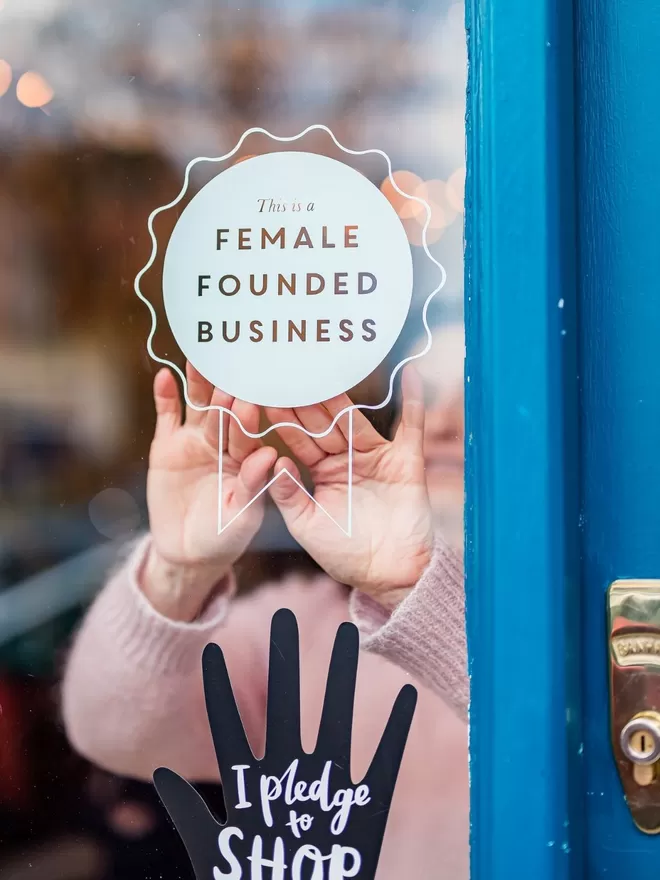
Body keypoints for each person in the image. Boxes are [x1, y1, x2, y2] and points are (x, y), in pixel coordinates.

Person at [62, 324, 469, 879]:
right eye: (428, 401)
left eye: (477, 398)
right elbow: (109, 730)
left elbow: (574, 771)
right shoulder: (303, 627)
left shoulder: (593, 628)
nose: (444, 425)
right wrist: (177, 572)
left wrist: (416, 590)